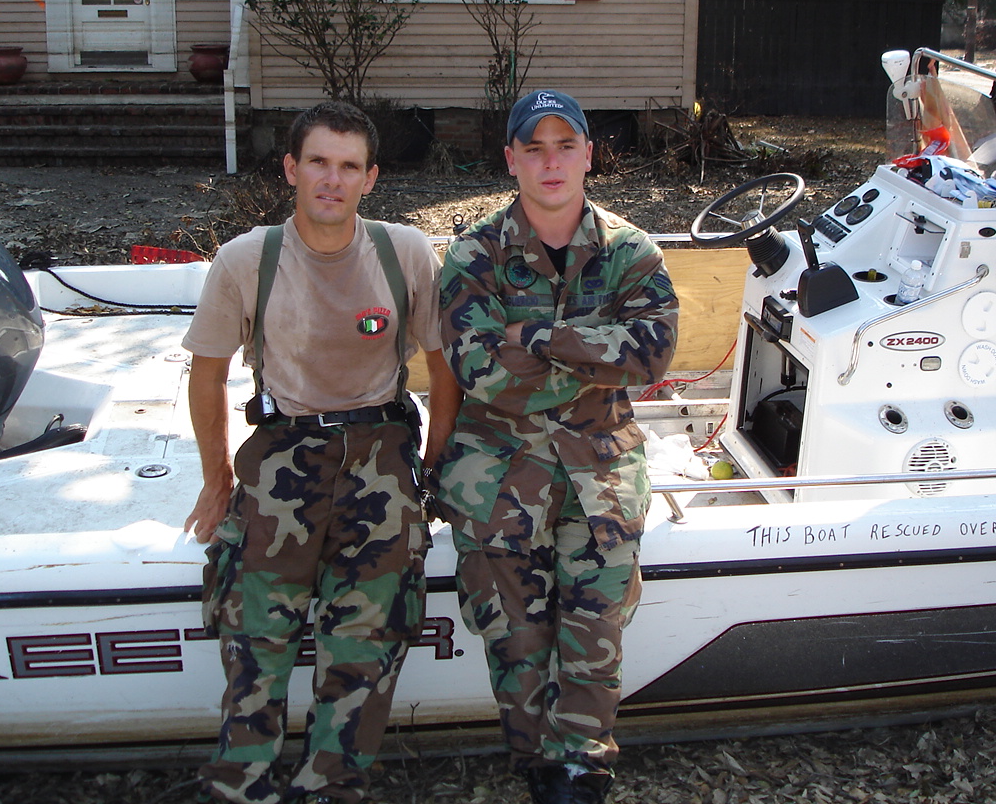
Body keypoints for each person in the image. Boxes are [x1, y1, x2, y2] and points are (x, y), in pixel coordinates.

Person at [182, 100, 461, 804]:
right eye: (317, 163)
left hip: (380, 450)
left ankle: (331, 783)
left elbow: (443, 365)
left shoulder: (405, 251)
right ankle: (242, 781)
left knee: (368, 636)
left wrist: (434, 466)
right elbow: (209, 374)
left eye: (347, 167)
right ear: (290, 169)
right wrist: (217, 482)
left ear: (370, 178)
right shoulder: (247, 260)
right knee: (256, 632)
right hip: (284, 452)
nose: (331, 181)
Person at [434, 90, 679, 804]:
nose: (550, 162)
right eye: (533, 148)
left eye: (564, 145)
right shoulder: (474, 252)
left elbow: (654, 354)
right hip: (500, 469)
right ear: (510, 159)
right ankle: (539, 765)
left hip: (601, 465)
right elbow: (478, 370)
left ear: (588, 156)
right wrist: (594, 361)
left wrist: (535, 339)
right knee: (514, 628)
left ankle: (584, 766)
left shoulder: (631, 250)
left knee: (595, 619)